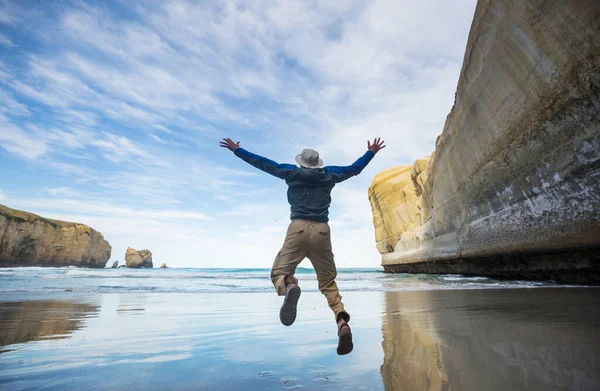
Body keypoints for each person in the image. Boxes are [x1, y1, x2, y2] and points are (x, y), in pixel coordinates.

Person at [220, 137, 386, 355]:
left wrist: (238, 151)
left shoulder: (292, 173)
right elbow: (354, 169)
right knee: (327, 283)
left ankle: (288, 284)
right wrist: (371, 153)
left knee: (279, 272)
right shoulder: (329, 174)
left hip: (297, 229)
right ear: (318, 163)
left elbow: (264, 163)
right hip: (322, 231)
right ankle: (342, 322)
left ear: (301, 163)